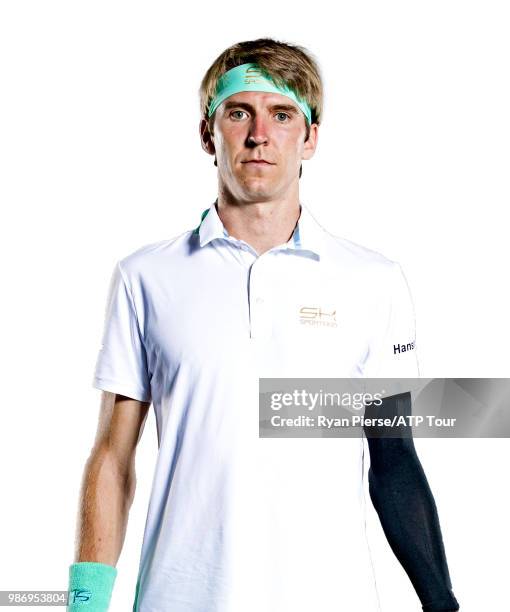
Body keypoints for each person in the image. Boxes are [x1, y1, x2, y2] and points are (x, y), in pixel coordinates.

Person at [67, 38, 460, 612]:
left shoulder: (374, 281)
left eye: (282, 115)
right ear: (209, 133)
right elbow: (112, 457)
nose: (259, 134)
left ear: (310, 137)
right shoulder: (145, 277)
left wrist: (442, 603)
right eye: (238, 113)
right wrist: (83, 604)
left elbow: (394, 457)